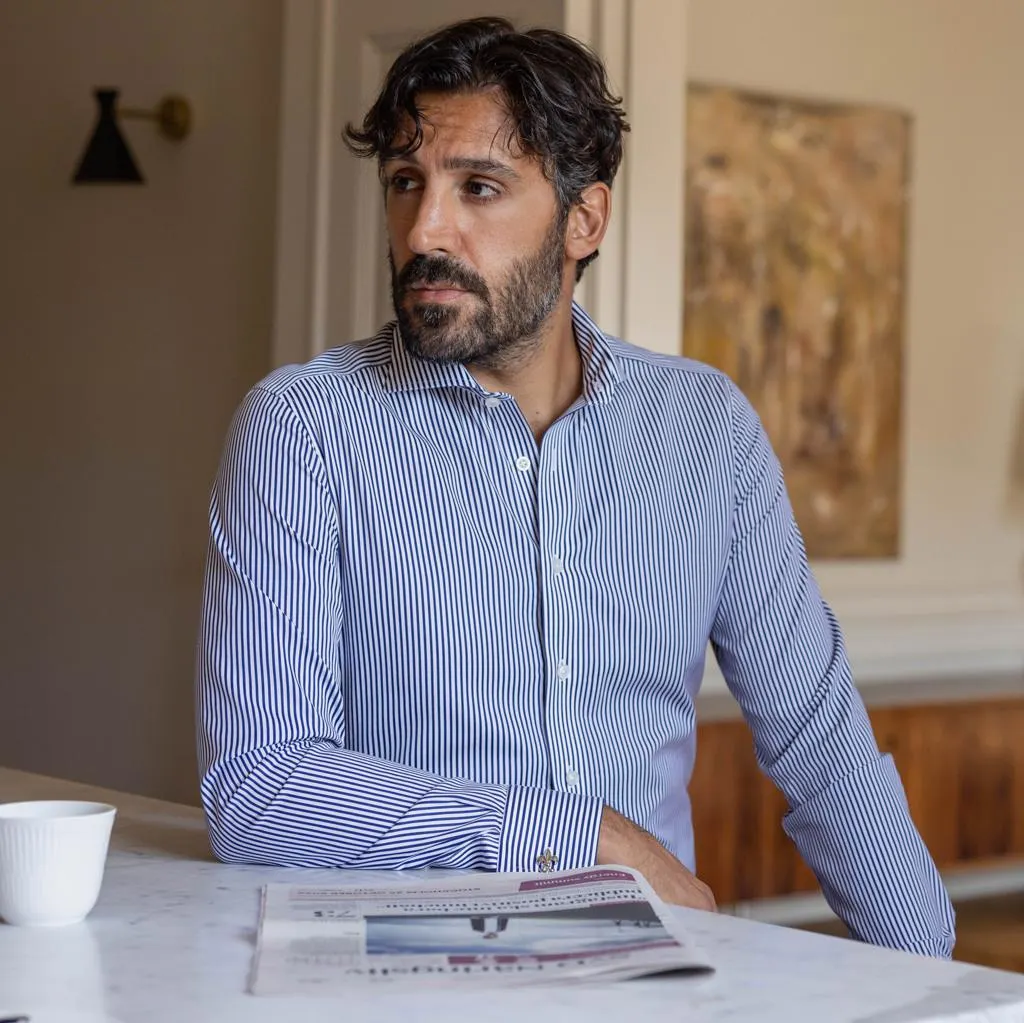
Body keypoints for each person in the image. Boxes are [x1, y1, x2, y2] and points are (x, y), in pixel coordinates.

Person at [195, 16, 955, 958]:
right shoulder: (301, 433)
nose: (424, 228)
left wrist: (944, 987)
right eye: (405, 184)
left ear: (582, 220)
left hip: (655, 978)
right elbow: (259, 788)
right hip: (394, 974)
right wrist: (571, 832)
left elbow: (818, 739)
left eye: (478, 187)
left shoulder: (704, 430)